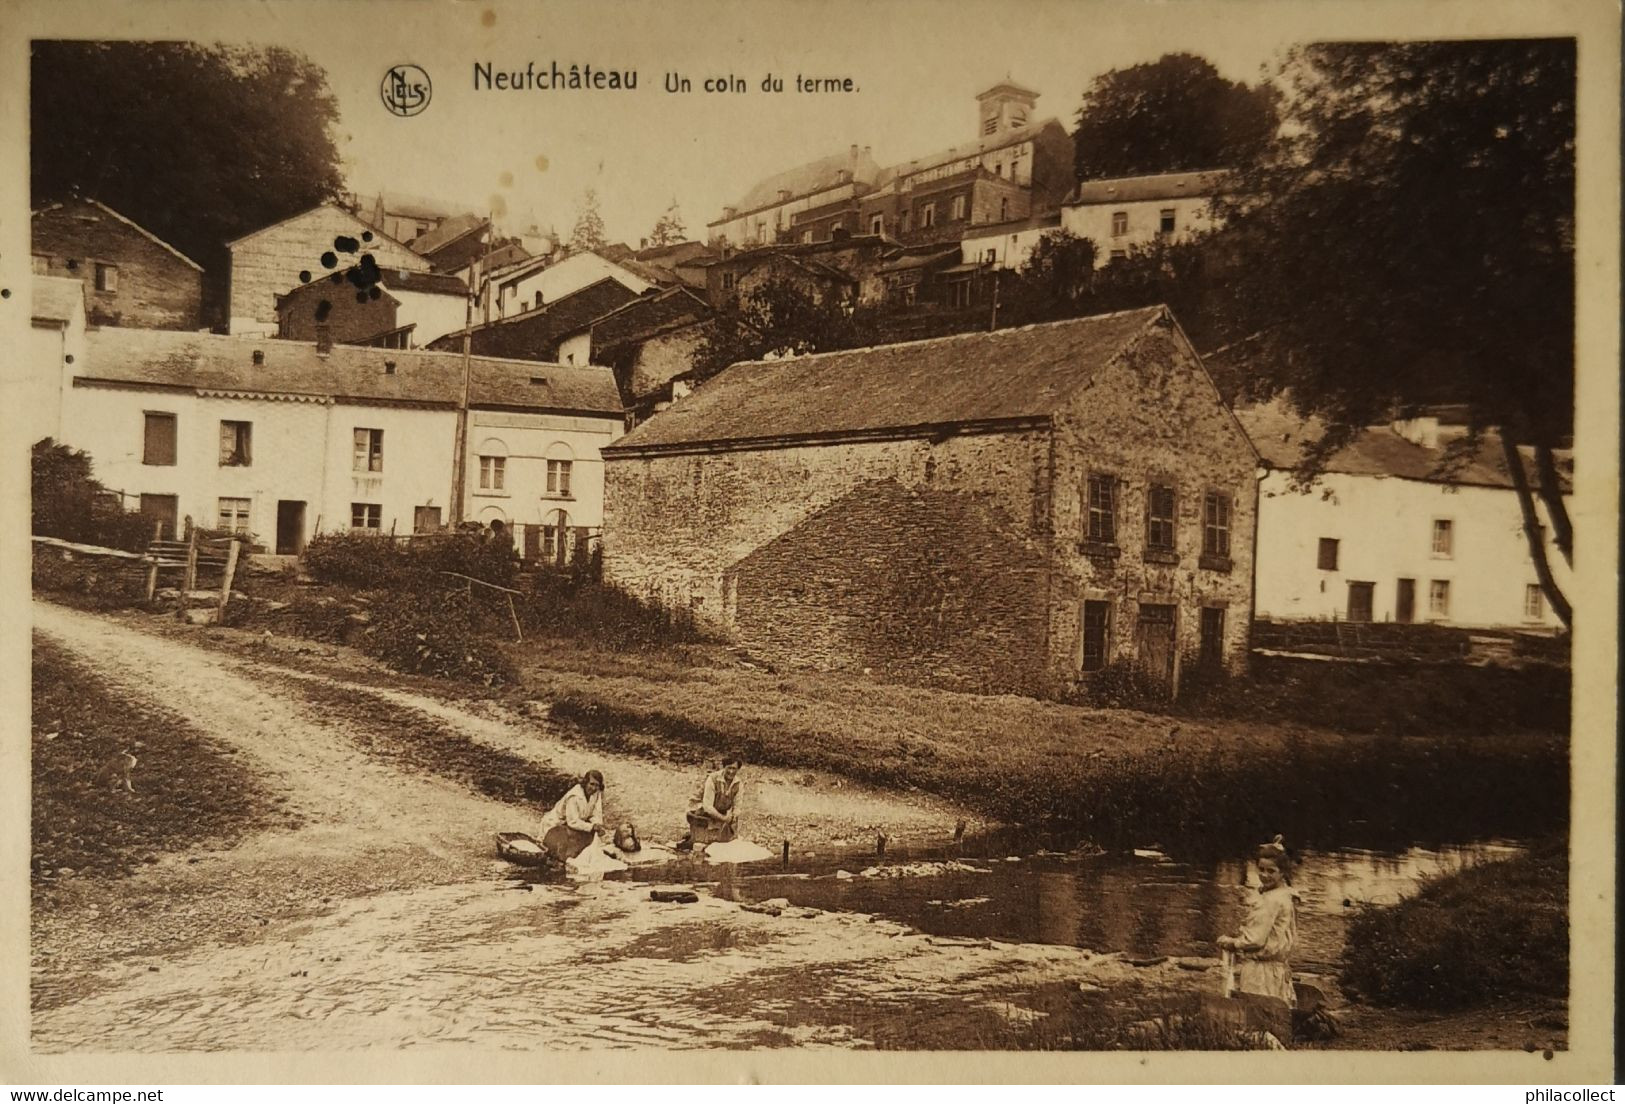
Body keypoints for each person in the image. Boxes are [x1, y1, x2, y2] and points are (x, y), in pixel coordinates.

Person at [1217, 835, 1299, 1007]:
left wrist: (1232, 943)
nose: (1264, 875)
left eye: (1271, 871)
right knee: (1274, 1013)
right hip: (1276, 968)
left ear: (1283, 873)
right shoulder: (1285, 894)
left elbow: (1255, 939)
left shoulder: (1271, 900)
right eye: (1261, 870)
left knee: (1257, 1015)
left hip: (1261, 971)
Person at [675, 758, 743, 851]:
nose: (731, 771)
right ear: (724, 767)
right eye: (729, 768)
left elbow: (738, 805)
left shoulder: (738, 783)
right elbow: (708, 806)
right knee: (702, 841)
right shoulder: (713, 779)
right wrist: (723, 818)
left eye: (734, 769)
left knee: (727, 840)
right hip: (702, 811)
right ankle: (692, 837)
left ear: (738, 769)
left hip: (720, 810)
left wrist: (733, 815)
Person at [537, 770, 606, 861]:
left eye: (597, 785)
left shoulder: (596, 794)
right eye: (591, 784)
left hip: (577, 824)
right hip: (557, 824)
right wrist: (592, 826)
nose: (593, 788)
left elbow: (596, 813)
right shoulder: (574, 796)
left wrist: (597, 824)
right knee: (557, 853)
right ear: (585, 783)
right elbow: (572, 821)